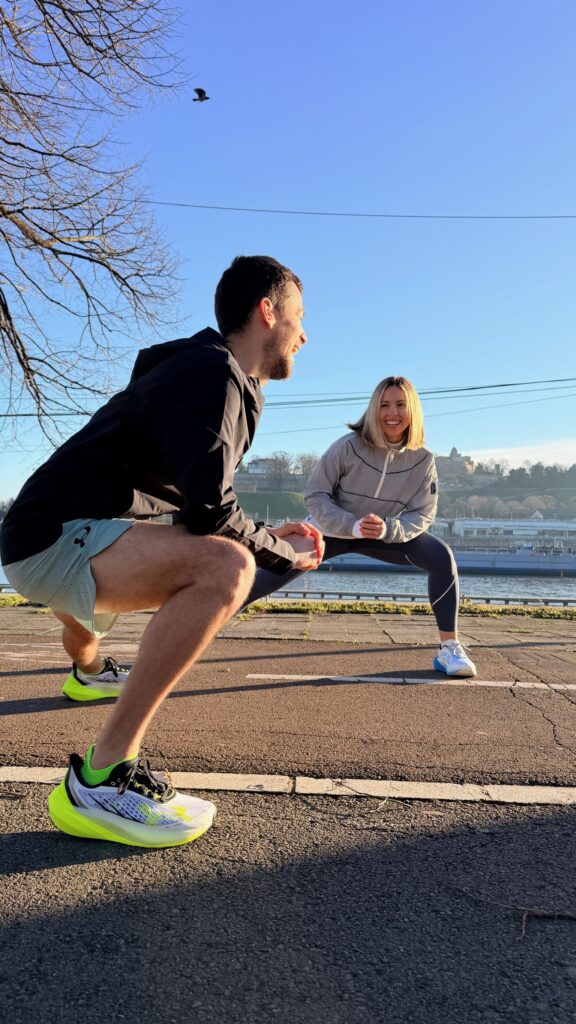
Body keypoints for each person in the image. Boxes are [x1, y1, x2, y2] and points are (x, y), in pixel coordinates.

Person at [0, 255, 323, 848]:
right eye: (299, 317)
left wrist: (268, 532)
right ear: (267, 311)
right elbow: (212, 515)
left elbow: (193, 506)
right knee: (229, 566)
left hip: (58, 532)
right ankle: (101, 778)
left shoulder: (210, 374)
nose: (305, 334)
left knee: (207, 559)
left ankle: (88, 674)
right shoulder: (212, 374)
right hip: (53, 537)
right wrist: (280, 551)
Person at [246, 375, 477, 678]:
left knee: (441, 557)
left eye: (400, 405)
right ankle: (202, 626)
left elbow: (422, 513)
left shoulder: (423, 459)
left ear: (413, 410)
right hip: (331, 529)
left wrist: (388, 529)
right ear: (373, 409)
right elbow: (315, 495)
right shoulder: (348, 446)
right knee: (264, 575)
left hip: (383, 532)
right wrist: (350, 525)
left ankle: (449, 650)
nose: (392, 413)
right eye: (384, 405)